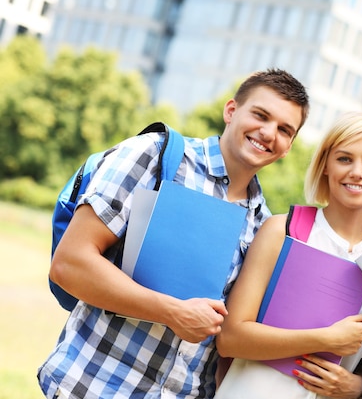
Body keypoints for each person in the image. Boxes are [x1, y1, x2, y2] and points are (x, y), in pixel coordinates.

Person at [37, 68, 310, 399]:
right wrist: (173, 312)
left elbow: (228, 342)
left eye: (284, 129)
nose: (268, 133)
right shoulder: (156, 155)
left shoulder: (263, 225)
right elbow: (70, 264)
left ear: (288, 146)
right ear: (231, 111)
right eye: (261, 115)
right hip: (94, 387)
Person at [214, 111, 362, 399]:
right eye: (344, 158)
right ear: (325, 166)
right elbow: (230, 338)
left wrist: (357, 387)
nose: (357, 172)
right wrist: (324, 339)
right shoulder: (282, 231)